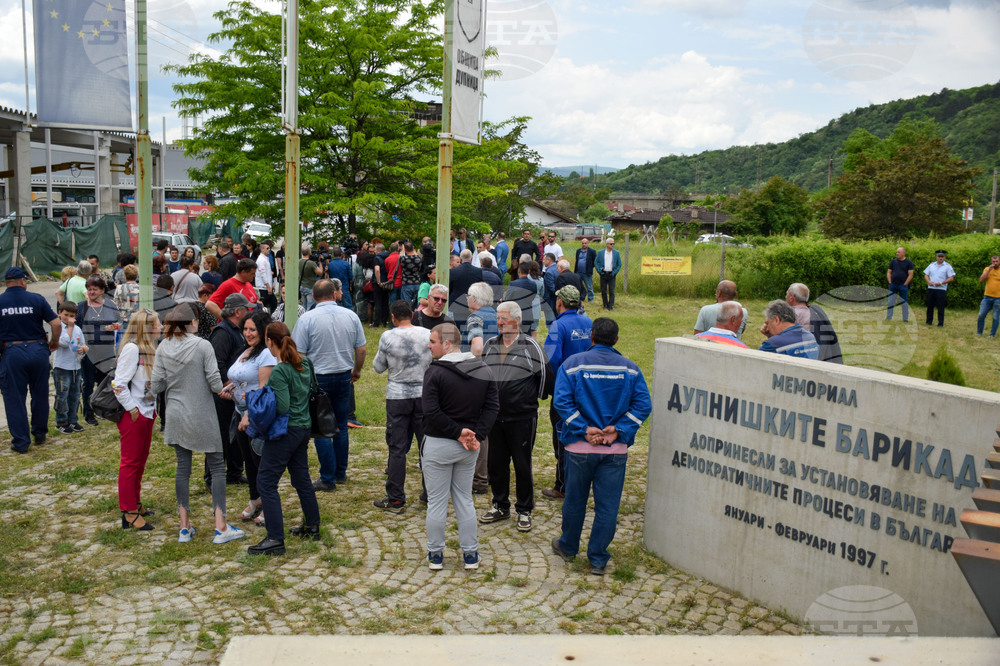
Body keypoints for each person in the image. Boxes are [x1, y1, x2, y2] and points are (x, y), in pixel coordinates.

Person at [551, 317, 652, 576]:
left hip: (578, 449)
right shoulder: (630, 369)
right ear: (616, 340)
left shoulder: (572, 365)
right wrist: (617, 430)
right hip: (614, 450)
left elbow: (561, 402)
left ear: (591, 337)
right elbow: (643, 405)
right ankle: (597, 558)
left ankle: (568, 547)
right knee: (607, 506)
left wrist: (585, 429)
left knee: (575, 501)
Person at [151, 304, 245, 545]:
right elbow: (215, 383)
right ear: (192, 323)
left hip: (175, 412)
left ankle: (184, 527)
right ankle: (220, 525)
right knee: (216, 467)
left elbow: (157, 385)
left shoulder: (163, 346)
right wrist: (232, 389)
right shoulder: (203, 345)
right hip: (202, 412)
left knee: (183, 468)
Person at [422, 323, 499, 571]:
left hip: (439, 444)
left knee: (436, 501)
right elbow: (492, 407)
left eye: (432, 341)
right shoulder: (484, 369)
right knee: (464, 499)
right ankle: (470, 554)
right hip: (469, 446)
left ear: (446, 344)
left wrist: (458, 433)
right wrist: (478, 435)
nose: (428, 345)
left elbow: (431, 411)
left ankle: (435, 554)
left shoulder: (435, 372)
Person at [246, 322, 323, 556]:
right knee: (301, 478)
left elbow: (281, 406)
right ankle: (312, 525)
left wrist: (260, 397)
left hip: (285, 432)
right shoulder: (305, 362)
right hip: (303, 429)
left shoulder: (280, 370)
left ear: (269, 342)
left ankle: (275, 538)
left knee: (266, 483)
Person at [479, 302, 552, 532]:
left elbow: (546, 379)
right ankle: (500, 505)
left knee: (522, 464)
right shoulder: (490, 345)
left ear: (517, 321)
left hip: (522, 417)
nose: (500, 323)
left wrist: (528, 401)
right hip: (494, 418)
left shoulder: (531, 346)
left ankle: (524, 510)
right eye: (498, 319)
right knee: (496, 464)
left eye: (504, 319)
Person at [292, 279, 366, 491]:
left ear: (313, 297)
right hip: (343, 375)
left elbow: (300, 354)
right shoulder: (351, 316)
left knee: (321, 429)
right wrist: (357, 369)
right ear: (334, 294)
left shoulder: (307, 319)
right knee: (341, 426)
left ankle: (327, 477)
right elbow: (361, 349)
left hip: (318, 378)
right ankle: (340, 472)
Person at [372, 301, 433, 512]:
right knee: (427, 447)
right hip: (424, 395)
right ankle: (430, 494)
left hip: (397, 396)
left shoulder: (388, 336)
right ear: (412, 316)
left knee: (397, 448)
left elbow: (378, 367)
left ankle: (396, 497)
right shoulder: (427, 334)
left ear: (393, 317)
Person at [221, 310, 277, 528]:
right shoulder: (246, 350)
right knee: (248, 461)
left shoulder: (266, 354)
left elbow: (263, 388)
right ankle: (255, 498)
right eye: (245, 329)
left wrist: (249, 414)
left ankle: (268, 502)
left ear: (263, 331)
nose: (248, 333)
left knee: (260, 460)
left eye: (252, 329)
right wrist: (230, 387)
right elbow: (239, 377)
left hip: (256, 415)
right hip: (239, 410)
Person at [0, 267, 61, 453]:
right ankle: (40, 433)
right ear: (23, 281)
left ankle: (21, 442)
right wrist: (54, 341)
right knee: (40, 393)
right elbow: (56, 323)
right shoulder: (36, 299)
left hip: (12, 351)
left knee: (14, 398)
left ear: (7, 283)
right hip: (38, 349)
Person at [541, 285, 593, 499]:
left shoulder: (558, 326)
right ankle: (583, 482)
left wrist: (551, 388)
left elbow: (551, 359)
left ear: (559, 303)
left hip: (566, 391)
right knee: (584, 433)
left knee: (562, 435)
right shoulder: (589, 323)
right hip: (588, 389)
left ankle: (562, 486)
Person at [113, 309, 161, 531]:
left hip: (147, 411)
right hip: (135, 413)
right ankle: (128, 511)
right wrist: (132, 409)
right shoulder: (132, 349)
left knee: (140, 461)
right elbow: (119, 384)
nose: (160, 327)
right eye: (157, 324)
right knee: (130, 462)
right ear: (147, 327)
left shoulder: (149, 348)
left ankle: (136, 502)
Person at [208, 294, 251, 487]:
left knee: (234, 434)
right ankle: (211, 477)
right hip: (223, 394)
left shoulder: (236, 330)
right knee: (219, 437)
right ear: (237, 311)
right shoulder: (223, 332)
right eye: (247, 309)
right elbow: (216, 362)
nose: (249, 312)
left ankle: (234, 472)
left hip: (233, 393)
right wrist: (228, 386)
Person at [77, 276, 120, 427]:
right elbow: (75, 329)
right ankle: (89, 414)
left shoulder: (110, 305)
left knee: (104, 381)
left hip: (106, 350)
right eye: (89, 289)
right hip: (88, 351)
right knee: (88, 382)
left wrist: (115, 326)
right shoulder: (81, 307)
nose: (91, 292)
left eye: (95, 289)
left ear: (102, 290)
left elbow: (119, 321)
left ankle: (101, 408)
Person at [52, 301, 88, 434]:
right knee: (62, 395)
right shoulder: (59, 328)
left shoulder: (77, 329)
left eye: (72, 315)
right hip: (62, 367)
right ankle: (61, 421)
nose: (69, 318)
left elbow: (84, 344)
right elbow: (64, 343)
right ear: (59, 313)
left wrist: (84, 349)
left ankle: (73, 420)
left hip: (76, 367)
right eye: (66, 315)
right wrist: (70, 327)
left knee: (75, 395)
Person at [504, 262, 540, 337]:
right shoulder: (533, 284)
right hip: (528, 315)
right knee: (527, 340)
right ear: (529, 271)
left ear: (519, 270)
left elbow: (507, 300)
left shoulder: (513, 284)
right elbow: (533, 297)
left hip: (515, 315)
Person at [924, 250, 955, 327]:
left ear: (944, 257)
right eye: (939, 256)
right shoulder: (931, 265)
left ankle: (940, 323)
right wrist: (928, 281)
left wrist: (941, 283)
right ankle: (928, 321)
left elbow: (951, 278)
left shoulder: (947, 266)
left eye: (942, 256)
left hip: (941, 289)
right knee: (930, 306)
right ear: (936, 257)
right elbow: (926, 275)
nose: (940, 258)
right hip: (931, 288)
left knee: (940, 306)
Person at [887, 246, 914, 322]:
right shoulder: (893, 261)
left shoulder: (909, 262)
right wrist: (890, 282)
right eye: (897, 252)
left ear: (903, 253)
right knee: (890, 302)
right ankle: (889, 317)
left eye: (899, 252)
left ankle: (905, 318)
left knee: (904, 302)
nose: (897, 253)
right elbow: (889, 272)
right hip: (893, 285)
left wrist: (905, 284)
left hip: (903, 285)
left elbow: (911, 274)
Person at [977, 255, 1000, 337]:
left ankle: (992, 334)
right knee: (981, 315)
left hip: (998, 298)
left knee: (995, 317)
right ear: (991, 262)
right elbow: (982, 280)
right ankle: (979, 332)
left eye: (996, 261)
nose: (995, 263)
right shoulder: (987, 269)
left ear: (999, 261)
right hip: (987, 297)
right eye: (993, 261)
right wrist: (989, 270)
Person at [597, 237, 622, 311]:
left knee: (611, 290)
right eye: (611, 244)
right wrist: (599, 271)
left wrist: (614, 272)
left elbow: (619, 264)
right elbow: (596, 262)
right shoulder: (600, 253)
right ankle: (605, 304)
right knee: (603, 290)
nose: (612, 245)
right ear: (607, 244)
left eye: (613, 244)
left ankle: (611, 305)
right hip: (603, 274)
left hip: (612, 274)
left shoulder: (616, 253)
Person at [327, 246, 354, 311]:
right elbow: (351, 276)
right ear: (341, 254)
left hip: (333, 289)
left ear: (333, 254)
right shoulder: (346, 264)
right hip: (344, 287)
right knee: (348, 307)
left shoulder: (330, 264)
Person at [398, 242, 424, 308]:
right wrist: (413, 249)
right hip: (417, 283)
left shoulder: (404, 259)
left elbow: (400, 257)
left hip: (406, 284)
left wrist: (403, 249)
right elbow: (416, 255)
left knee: (406, 306)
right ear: (413, 248)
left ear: (405, 249)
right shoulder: (419, 258)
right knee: (416, 305)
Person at [255, 240, 277, 313]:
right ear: (262, 249)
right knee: (267, 304)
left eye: (269, 248)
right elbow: (263, 273)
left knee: (273, 302)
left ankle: (271, 317)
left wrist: (271, 284)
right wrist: (268, 286)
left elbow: (266, 272)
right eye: (267, 248)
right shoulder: (261, 259)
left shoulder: (265, 258)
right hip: (263, 287)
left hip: (266, 286)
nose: (269, 250)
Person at [574, 238, 597, 302]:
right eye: (583, 243)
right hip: (578, 272)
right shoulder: (578, 251)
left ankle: (591, 299)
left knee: (589, 287)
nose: (584, 244)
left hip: (587, 272)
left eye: (585, 243)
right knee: (578, 286)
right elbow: (577, 260)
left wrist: (590, 267)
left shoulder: (592, 251)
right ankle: (580, 298)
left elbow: (595, 261)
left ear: (588, 243)